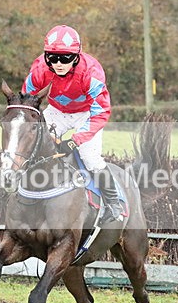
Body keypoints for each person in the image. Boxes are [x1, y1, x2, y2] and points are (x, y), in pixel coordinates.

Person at [21, 25, 124, 223]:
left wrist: (75, 140)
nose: (58, 63)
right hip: (56, 112)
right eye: (52, 57)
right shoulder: (39, 69)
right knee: (34, 147)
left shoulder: (91, 72)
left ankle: (114, 203)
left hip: (87, 115)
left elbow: (100, 111)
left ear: (77, 55)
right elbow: (28, 101)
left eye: (65, 58)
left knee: (90, 157)